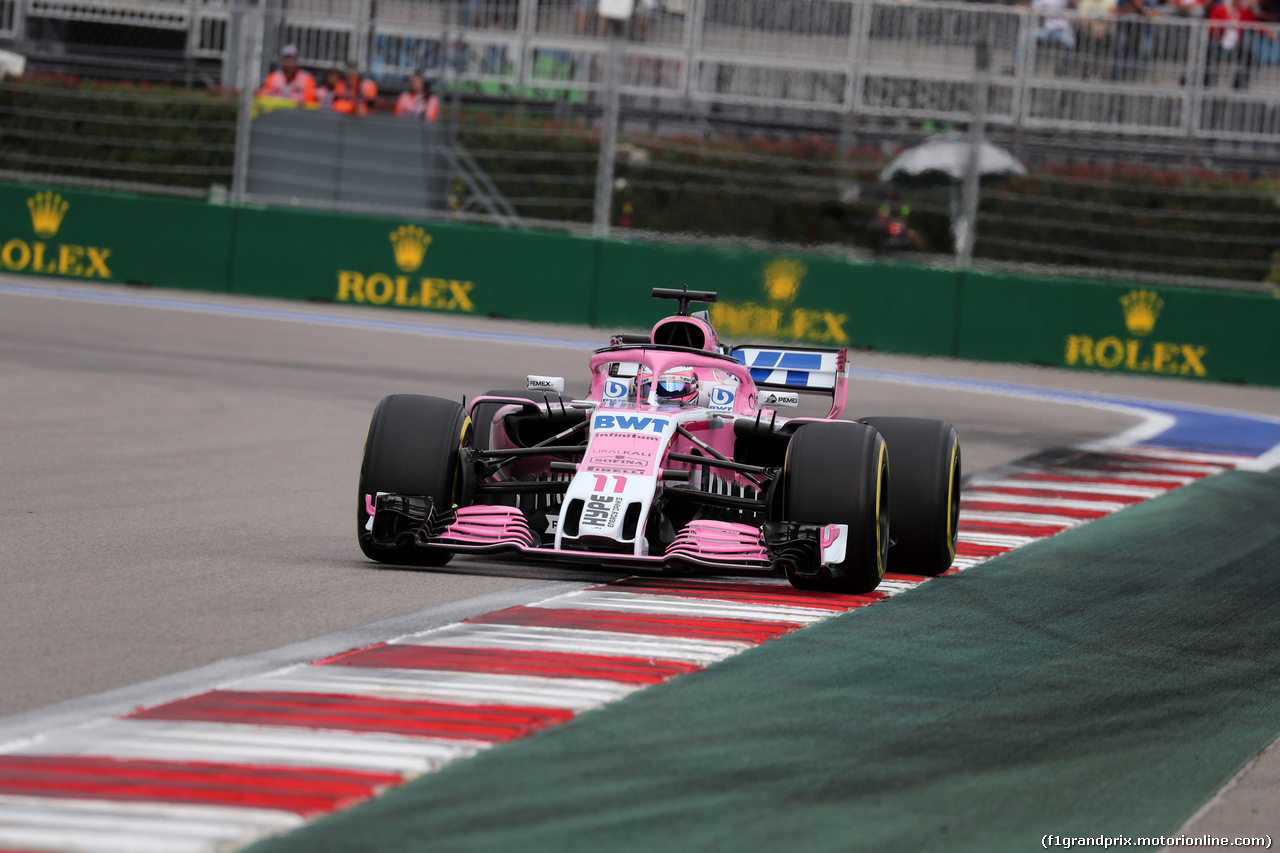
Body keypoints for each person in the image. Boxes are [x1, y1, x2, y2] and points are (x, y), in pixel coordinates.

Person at [1204, 0, 1275, 89]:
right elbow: (1212, 25)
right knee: (1207, 52)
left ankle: (1239, 84)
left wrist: (1267, 32)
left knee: (1248, 54)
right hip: (1219, 40)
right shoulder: (1219, 10)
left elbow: (1255, 25)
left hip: (1237, 42)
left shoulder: (1244, 12)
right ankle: (1206, 81)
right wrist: (1225, 25)